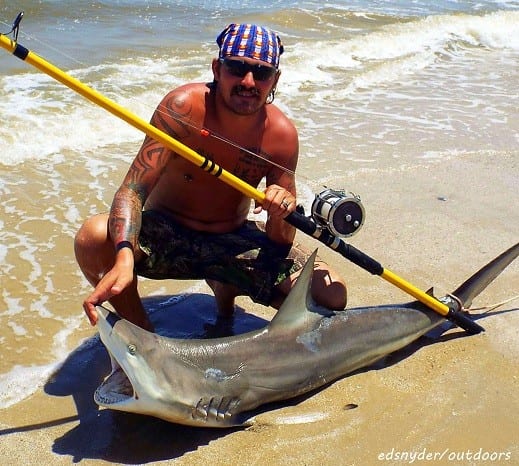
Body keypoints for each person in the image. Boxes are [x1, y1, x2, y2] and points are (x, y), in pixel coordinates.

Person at [74, 23, 347, 331]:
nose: (248, 81)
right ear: (217, 68)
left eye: (261, 73)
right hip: (166, 236)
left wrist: (284, 210)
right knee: (93, 236)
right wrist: (124, 257)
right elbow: (132, 191)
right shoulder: (182, 107)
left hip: (231, 238)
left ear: (275, 80)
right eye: (237, 68)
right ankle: (142, 339)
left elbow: (279, 240)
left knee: (331, 296)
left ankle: (224, 289)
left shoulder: (282, 135)